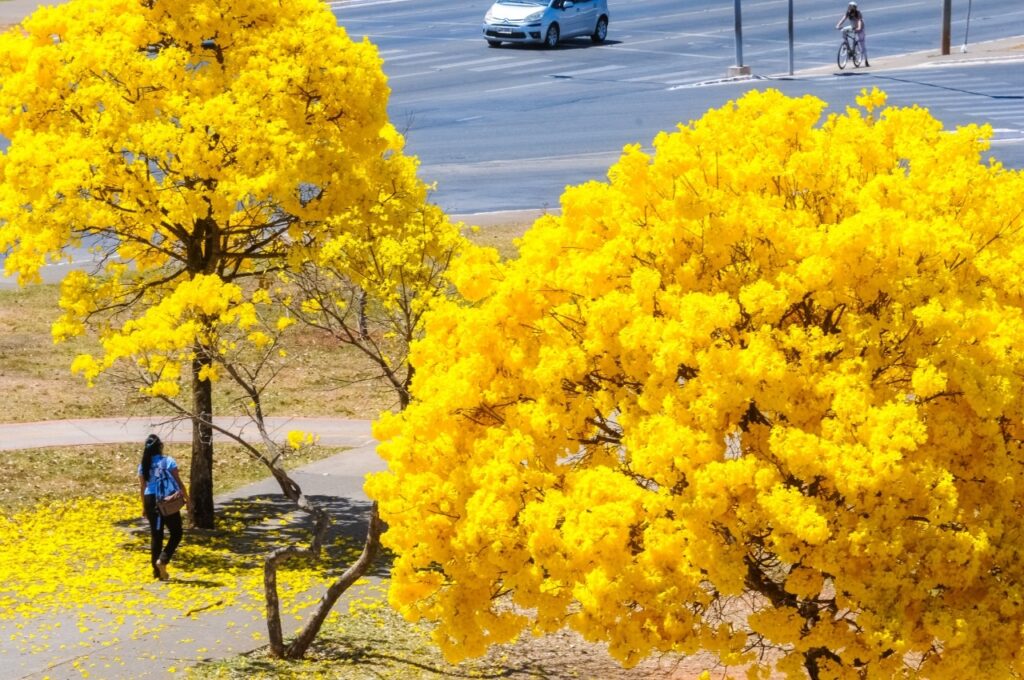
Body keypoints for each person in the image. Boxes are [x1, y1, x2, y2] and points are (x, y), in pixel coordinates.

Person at [138, 434, 189, 581]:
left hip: (150, 500)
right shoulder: (168, 461)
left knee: (156, 535)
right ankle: (163, 560)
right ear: (160, 447)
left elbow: (143, 487)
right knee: (176, 533)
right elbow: (178, 482)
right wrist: (187, 499)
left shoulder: (143, 465)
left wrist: (144, 506)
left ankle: (157, 573)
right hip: (166, 500)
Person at [836, 1, 869, 67]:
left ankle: (866, 60)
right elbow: (843, 18)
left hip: (860, 29)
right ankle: (846, 45)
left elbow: (859, 21)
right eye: (849, 6)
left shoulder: (858, 13)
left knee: (862, 45)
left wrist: (859, 28)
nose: (850, 8)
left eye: (851, 7)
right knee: (844, 31)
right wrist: (838, 25)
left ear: (854, 7)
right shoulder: (848, 12)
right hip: (853, 27)